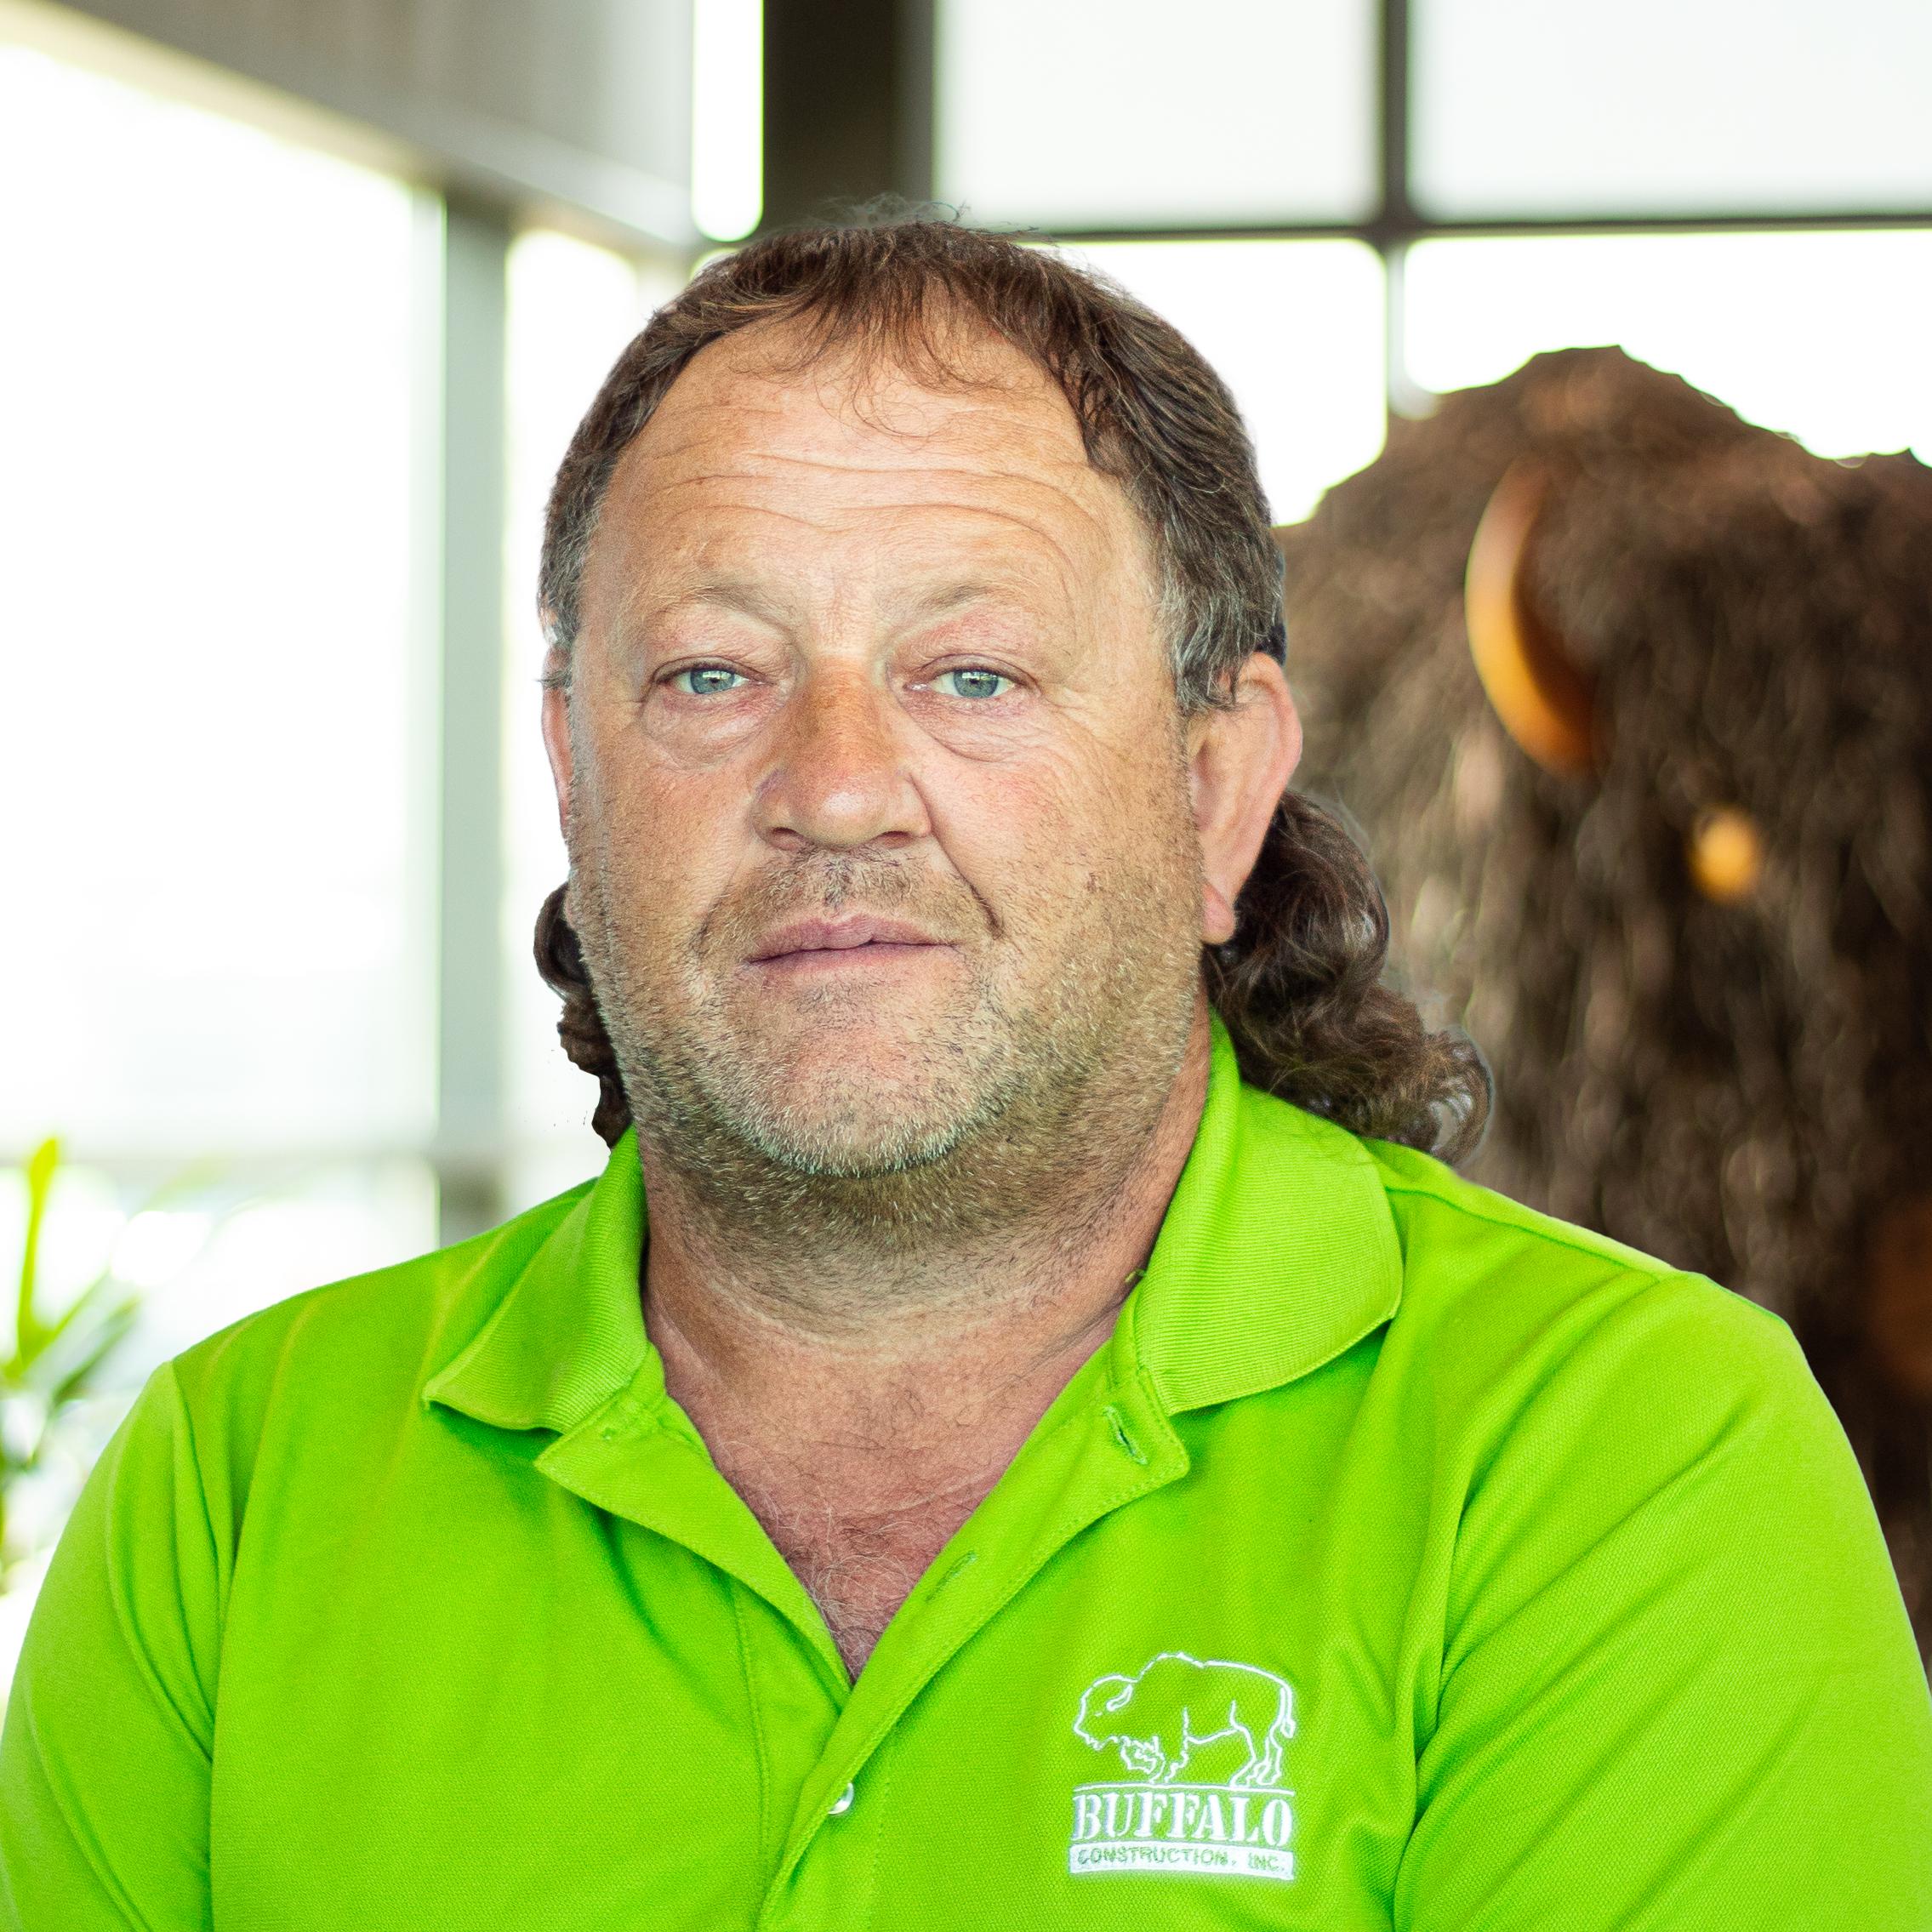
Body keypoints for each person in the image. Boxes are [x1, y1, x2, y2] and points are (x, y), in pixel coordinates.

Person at [3, 217, 1929, 1929]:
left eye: (972, 673)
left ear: (1211, 790)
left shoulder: (1622, 1458)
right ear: (574, 779)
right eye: (707, 674)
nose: (833, 784)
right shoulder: (232, 1487)